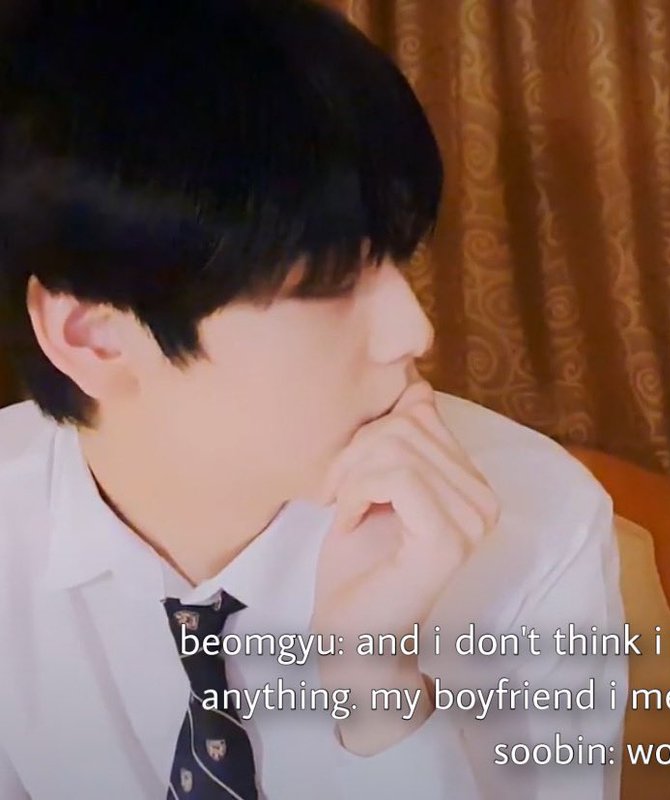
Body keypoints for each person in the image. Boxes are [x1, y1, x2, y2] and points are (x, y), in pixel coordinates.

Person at [0, 1, 625, 798]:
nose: (415, 330)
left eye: (394, 260)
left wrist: (376, 688)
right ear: (94, 336)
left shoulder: (533, 529)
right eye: (330, 284)